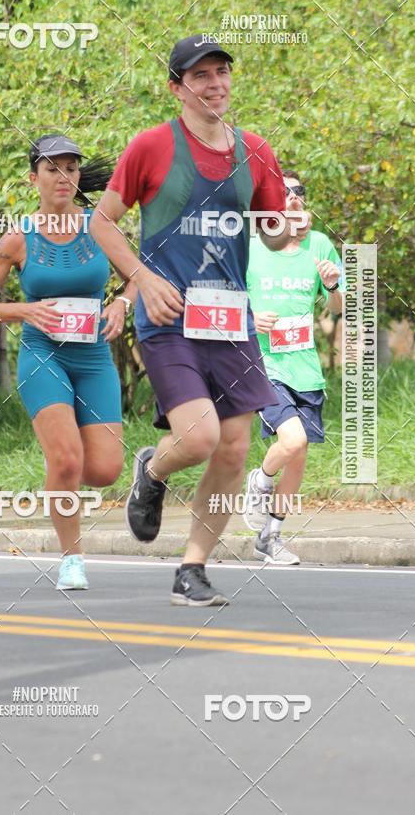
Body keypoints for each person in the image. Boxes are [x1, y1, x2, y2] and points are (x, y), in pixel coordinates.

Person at [90, 34, 293, 606]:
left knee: (233, 449)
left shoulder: (255, 150)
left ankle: (192, 568)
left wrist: (286, 229)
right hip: (168, 318)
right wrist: (143, 278)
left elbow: (273, 233)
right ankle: (153, 470)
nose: (215, 84)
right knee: (201, 437)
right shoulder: (151, 147)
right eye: (200, 75)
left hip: (230, 319)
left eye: (222, 72)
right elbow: (102, 222)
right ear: (177, 87)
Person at [0, 134, 136, 591]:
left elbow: (138, 277)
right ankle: (71, 559)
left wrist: (121, 304)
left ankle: (138, 471)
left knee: (103, 471)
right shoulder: (18, 238)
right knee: (64, 460)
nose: (64, 177)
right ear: (33, 177)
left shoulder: (101, 228)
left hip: (95, 358)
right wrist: (24, 310)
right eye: (53, 168)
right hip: (43, 357)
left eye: (72, 168)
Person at [244, 170, 343, 564]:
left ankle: (271, 537)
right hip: (264, 364)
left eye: (298, 192)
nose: (292, 198)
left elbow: (339, 308)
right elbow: (222, 299)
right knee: (293, 442)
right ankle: (260, 480)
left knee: (298, 458)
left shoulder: (319, 245)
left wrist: (333, 286)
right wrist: (252, 317)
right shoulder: (250, 246)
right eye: (282, 193)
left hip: (306, 367)